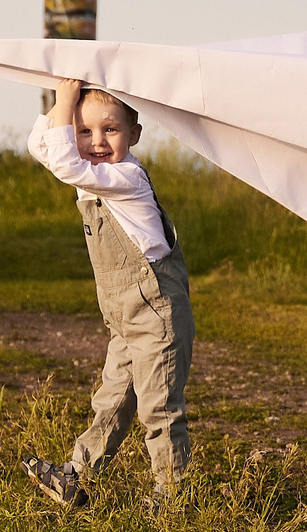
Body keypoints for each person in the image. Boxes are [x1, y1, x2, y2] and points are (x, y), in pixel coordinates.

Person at [20, 76, 193, 509]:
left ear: (134, 134)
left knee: (158, 406)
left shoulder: (124, 175)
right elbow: (40, 146)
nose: (96, 141)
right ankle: (77, 476)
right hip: (123, 314)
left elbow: (63, 162)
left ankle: (172, 496)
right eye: (84, 131)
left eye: (110, 129)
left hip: (155, 310)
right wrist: (63, 100)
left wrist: (66, 103)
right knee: (112, 398)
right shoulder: (93, 174)